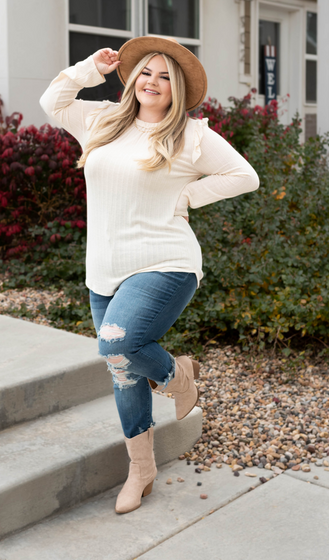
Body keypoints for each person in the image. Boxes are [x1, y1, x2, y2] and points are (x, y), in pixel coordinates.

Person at [40, 36, 259, 515]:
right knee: (121, 371)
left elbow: (245, 176)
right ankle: (141, 470)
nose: (152, 82)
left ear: (177, 87)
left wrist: (188, 198)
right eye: (146, 72)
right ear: (133, 79)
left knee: (117, 344)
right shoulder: (100, 121)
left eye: (164, 76)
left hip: (166, 261)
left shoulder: (191, 135)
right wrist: (88, 69)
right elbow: (51, 101)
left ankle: (177, 377)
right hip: (103, 269)